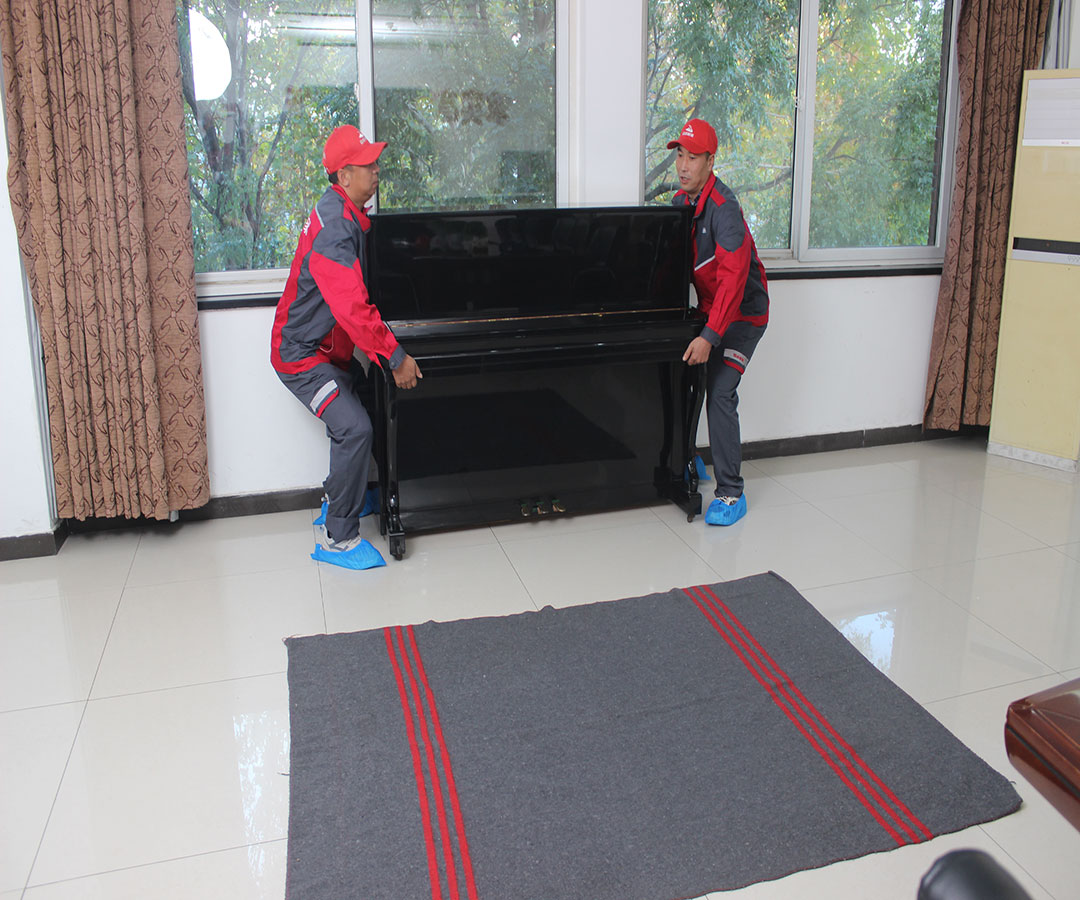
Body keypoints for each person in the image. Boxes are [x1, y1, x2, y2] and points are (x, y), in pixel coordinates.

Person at [271, 125, 422, 565]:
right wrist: (395, 356)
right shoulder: (335, 227)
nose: (376, 172)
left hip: (326, 352)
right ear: (343, 177)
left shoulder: (340, 211)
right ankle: (337, 535)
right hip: (301, 357)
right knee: (354, 428)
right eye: (367, 166)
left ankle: (345, 496)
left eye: (375, 163)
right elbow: (353, 307)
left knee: (368, 403)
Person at [668, 118, 769, 526]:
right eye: (680, 155)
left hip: (744, 315)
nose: (683, 165)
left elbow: (733, 280)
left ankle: (731, 493)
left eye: (693, 157)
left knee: (720, 390)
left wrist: (710, 336)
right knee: (682, 376)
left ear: (711, 161)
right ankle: (688, 459)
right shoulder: (680, 203)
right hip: (712, 310)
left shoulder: (725, 210)